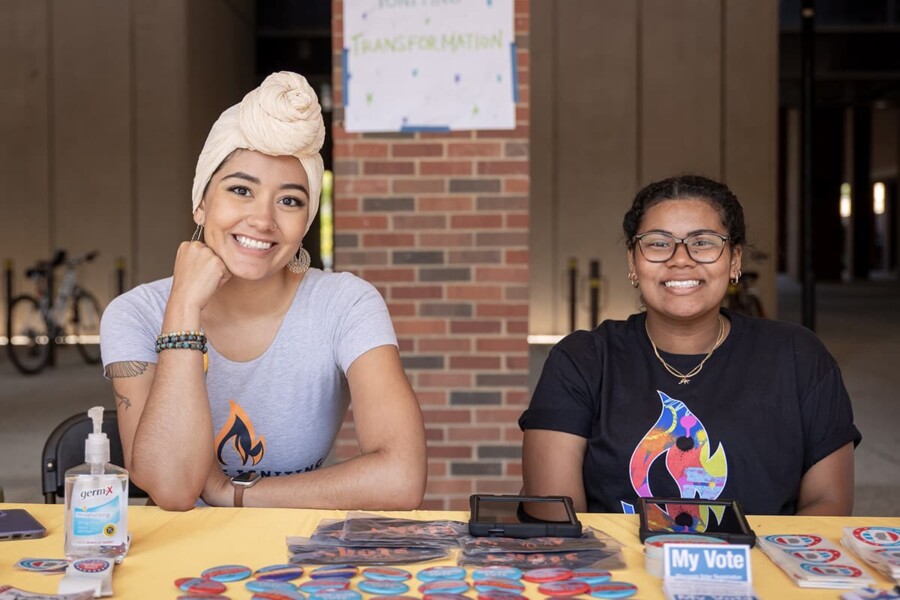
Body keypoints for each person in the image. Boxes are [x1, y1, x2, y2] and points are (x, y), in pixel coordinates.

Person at [100, 72, 426, 511]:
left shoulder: (347, 305)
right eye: (240, 190)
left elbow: (401, 477)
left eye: (289, 200)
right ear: (201, 202)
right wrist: (183, 306)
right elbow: (173, 489)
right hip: (175, 558)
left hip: (296, 554)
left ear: (306, 221)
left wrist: (231, 493)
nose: (263, 219)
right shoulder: (135, 313)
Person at [520, 175, 860, 516]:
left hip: (763, 567)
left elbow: (827, 503)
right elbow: (556, 515)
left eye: (703, 242)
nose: (680, 259)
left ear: (735, 259)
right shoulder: (582, 360)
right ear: (632, 263)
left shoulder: (798, 357)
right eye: (657, 243)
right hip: (616, 568)